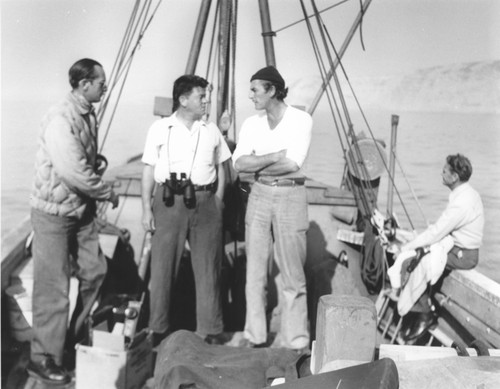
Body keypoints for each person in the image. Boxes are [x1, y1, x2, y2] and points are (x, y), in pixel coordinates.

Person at [28, 58, 119, 384]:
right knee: (53, 291)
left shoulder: (85, 112)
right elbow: (73, 171)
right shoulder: (60, 118)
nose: (104, 87)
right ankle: (43, 357)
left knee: (95, 271)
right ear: (84, 85)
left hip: (79, 213)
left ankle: (68, 339)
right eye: (100, 82)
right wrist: (106, 191)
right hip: (52, 215)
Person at [141, 74, 231, 346]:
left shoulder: (211, 130)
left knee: (208, 268)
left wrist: (217, 199)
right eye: (200, 96)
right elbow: (148, 169)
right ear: (183, 100)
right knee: (163, 267)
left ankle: (211, 330)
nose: (205, 101)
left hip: (205, 204)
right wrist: (146, 208)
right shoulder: (160, 129)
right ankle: (158, 330)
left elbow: (221, 167)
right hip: (168, 204)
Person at [232, 66, 312, 351]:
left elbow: (293, 164)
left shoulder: (301, 120)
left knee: (292, 273)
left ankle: (296, 341)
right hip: (259, 194)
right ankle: (254, 335)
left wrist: (260, 162)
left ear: (273, 91)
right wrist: (275, 156)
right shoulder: (252, 124)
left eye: (255, 89)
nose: (250, 95)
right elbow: (238, 163)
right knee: (254, 270)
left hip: (291, 195)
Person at [399, 153, 484, 341]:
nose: (441, 173)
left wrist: (409, 245)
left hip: (463, 255)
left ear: (454, 177)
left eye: (444, 171)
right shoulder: (467, 193)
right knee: (421, 255)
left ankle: (424, 314)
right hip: (457, 248)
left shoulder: (461, 203)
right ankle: (419, 309)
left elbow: (437, 232)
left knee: (412, 263)